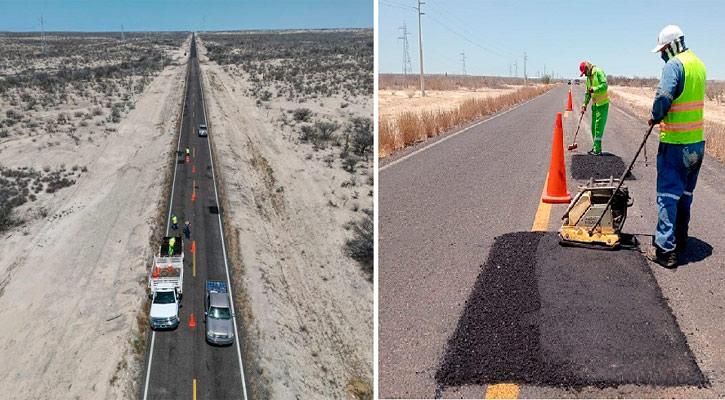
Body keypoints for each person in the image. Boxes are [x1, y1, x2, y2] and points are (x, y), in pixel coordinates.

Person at [646, 25, 706, 268]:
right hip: (696, 145)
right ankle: (681, 239)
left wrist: (655, 116)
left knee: (668, 196)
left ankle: (665, 250)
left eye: (662, 49)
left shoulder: (674, 66)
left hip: (676, 145)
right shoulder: (699, 65)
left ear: (670, 45)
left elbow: (663, 97)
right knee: (684, 195)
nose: (662, 54)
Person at [579, 61, 610, 155]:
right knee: (593, 127)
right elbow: (588, 92)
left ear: (588, 69)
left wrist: (595, 89)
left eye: (584, 72)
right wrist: (584, 104)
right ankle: (595, 146)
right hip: (595, 105)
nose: (584, 75)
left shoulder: (599, 72)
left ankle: (597, 149)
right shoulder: (588, 78)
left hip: (602, 104)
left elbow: (605, 85)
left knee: (598, 127)